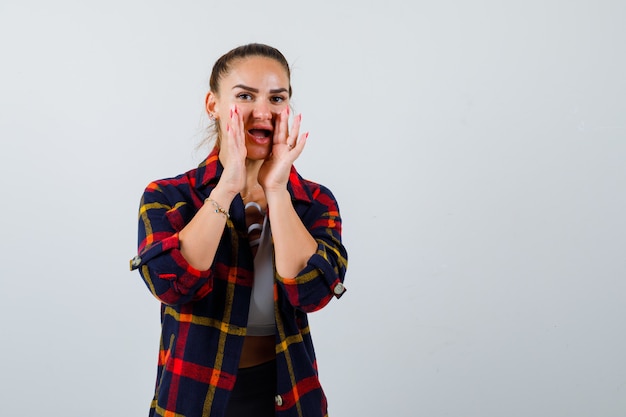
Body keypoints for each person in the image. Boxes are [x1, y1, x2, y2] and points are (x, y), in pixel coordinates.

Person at [130, 43, 348, 417]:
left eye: (276, 98)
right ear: (213, 105)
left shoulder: (313, 201)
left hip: (289, 397)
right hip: (193, 399)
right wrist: (228, 185)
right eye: (245, 95)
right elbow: (171, 284)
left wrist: (277, 190)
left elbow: (311, 292)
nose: (263, 111)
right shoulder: (168, 196)